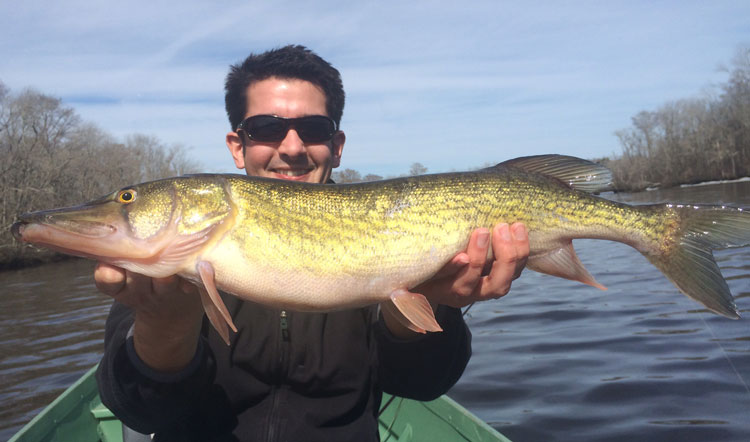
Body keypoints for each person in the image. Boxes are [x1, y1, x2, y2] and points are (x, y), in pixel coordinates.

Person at [96, 45, 529, 441]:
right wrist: (165, 324)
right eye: (266, 128)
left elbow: (421, 385)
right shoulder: (166, 257)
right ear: (237, 145)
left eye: (314, 128)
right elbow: (142, 412)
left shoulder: (399, 234)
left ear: (336, 146)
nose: (292, 147)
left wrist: (429, 304)